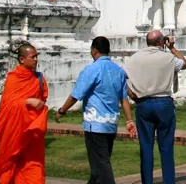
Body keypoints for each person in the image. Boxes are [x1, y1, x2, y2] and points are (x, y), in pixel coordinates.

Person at [55, 36, 137, 184]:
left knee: (101, 167)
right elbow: (124, 99)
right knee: (99, 165)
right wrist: (129, 120)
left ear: (94, 51)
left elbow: (76, 95)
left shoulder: (92, 69)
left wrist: (62, 110)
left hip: (95, 124)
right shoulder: (118, 71)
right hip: (111, 124)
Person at [124, 30, 186, 184]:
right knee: (166, 147)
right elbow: (184, 63)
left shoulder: (135, 58)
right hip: (163, 102)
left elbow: (121, 76)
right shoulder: (168, 57)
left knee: (146, 148)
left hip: (143, 103)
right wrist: (172, 47)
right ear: (161, 42)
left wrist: (131, 93)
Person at [0, 42, 48, 184]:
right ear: (22, 59)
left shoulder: (39, 79)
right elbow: (7, 106)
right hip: (14, 130)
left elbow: (43, 98)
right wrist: (27, 101)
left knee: (33, 169)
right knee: (9, 165)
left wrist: (37, 105)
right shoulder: (13, 78)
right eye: (32, 57)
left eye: (36, 56)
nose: (35, 59)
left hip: (32, 132)